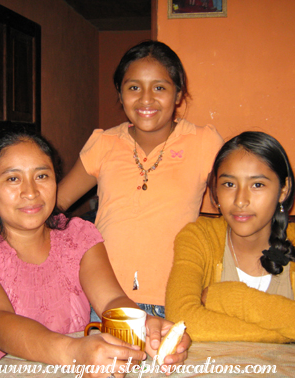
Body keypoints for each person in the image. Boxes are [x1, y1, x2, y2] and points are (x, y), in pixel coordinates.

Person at [0, 129, 190, 378]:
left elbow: (111, 300)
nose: (30, 192)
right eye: (13, 178)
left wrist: (146, 326)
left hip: (58, 367)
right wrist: (74, 352)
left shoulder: (77, 237)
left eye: (42, 176)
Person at [57, 40, 223, 318]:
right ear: (120, 95)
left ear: (178, 94)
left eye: (159, 87)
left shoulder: (204, 141)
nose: (146, 99)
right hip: (105, 300)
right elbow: (55, 203)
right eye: (134, 87)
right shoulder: (104, 143)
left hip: (178, 300)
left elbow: (238, 209)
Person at [165, 131, 295, 349]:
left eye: (257, 185)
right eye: (229, 184)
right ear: (215, 189)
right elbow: (182, 324)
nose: (240, 201)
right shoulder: (198, 239)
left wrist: (228, 298)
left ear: (283, 190)